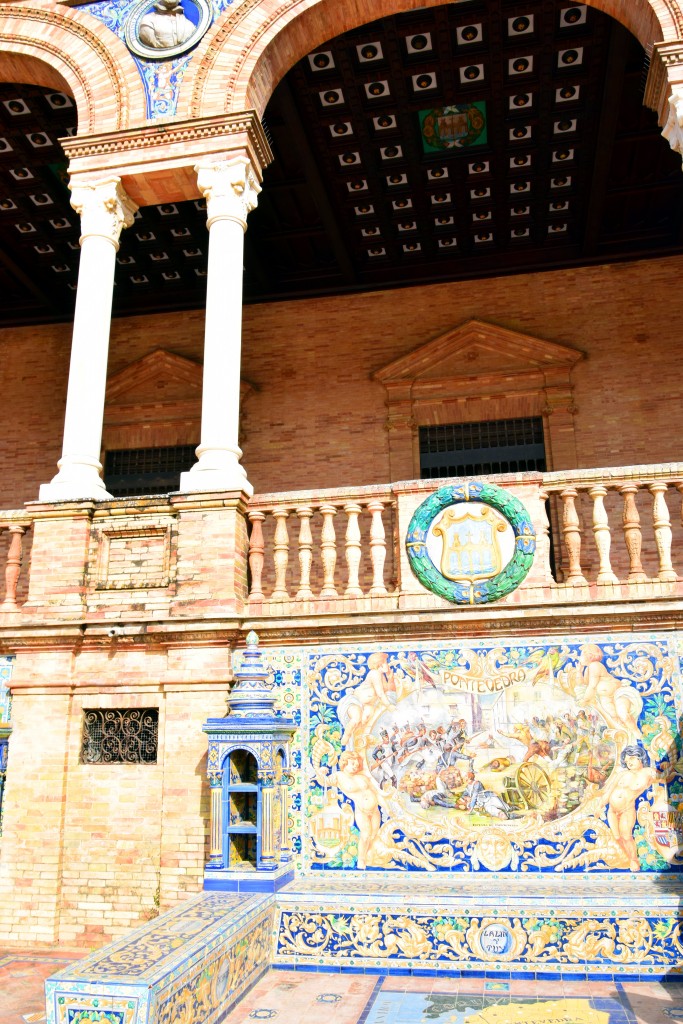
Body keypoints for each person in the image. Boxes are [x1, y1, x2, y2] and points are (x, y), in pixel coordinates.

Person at [599, 744, 673, 871]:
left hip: (627, 810)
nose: (629, 762)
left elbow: (665, 778)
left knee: (626, 836)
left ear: (640, 758)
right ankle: (628, 858)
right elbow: (608, 791)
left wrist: (667, 767)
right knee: (617, 837)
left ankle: (634, 860)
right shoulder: (622, 774)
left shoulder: (649, 773)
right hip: (611, 810)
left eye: (632, 759)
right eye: (627, 761)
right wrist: (599, 806)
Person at [318, 751, 381, 869]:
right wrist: (320, 772)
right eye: (352, 763)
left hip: (375, 809)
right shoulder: (339, 776)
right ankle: (361, 861)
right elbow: (324, 781)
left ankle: (367, 857)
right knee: (366, 835)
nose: (355, 766)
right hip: (362, 810)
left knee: (373, 835)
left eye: (357, 765)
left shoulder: (361, 776)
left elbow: (376, 791)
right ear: (344, 763)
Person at [338, 652, 394, 747]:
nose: (387, 664)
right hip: (354, 701)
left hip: (368, 705)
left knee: (365, 720)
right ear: (379, 664)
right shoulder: (375, 673)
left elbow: (387, 692)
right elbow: (380, 693)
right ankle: (346, 736)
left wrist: (390, 678)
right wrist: (389, 706)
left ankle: (358, 741)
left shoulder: (382, 676)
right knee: (357, 717)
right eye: (385, 662)